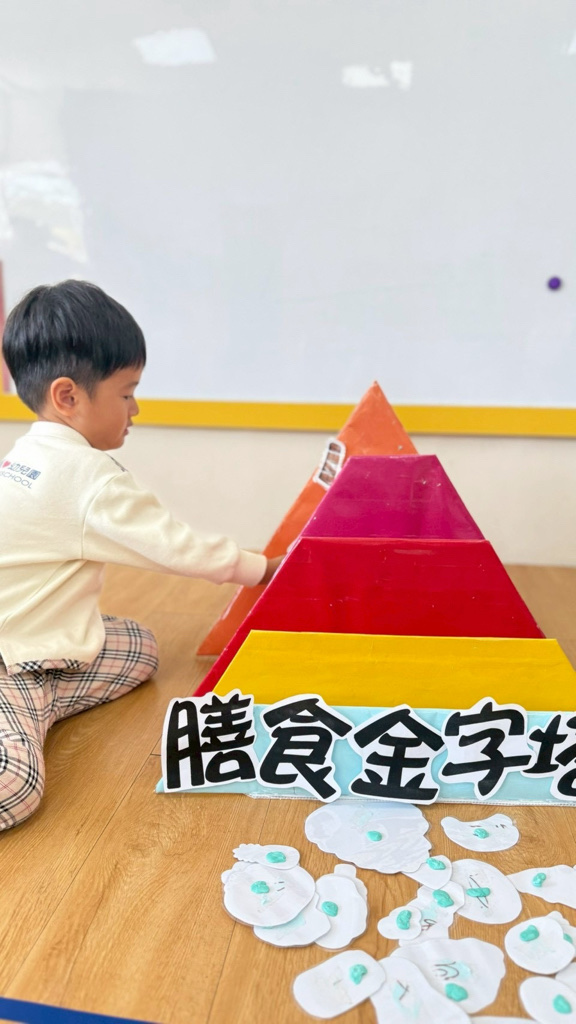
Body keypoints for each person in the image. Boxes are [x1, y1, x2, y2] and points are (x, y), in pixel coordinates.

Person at [0, 280, 282, 830]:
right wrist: (263, 568)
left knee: (142, 648)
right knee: (18, 784)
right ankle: (26, 709)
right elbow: (178, 548)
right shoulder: (87, 478)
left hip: (36, 642)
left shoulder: (26, 454)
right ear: (68, 397)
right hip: (13, 662)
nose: (136, 408)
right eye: (126, 393)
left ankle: (42, 702)